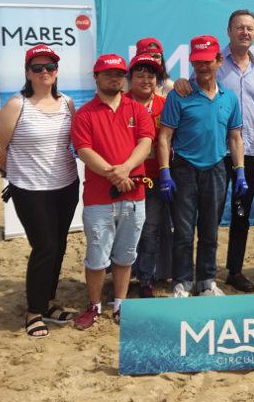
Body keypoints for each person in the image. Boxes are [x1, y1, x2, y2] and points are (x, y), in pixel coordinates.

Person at [175, 9, 254, 293]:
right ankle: (202, 276)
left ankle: (235, 271)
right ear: (228, 31)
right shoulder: (215, 63)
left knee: (241, 216)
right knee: (210, 218)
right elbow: (187, 88)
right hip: (216, 154)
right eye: (239, 27)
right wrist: (175, 82)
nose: (245, 32)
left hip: (251, 152)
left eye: (250, 28)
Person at [0, 44, 80, 338]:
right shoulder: (16, 105)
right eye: (37, 68)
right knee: (43, 247)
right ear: (27, 73)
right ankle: (34, 312)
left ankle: (50, 303)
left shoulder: (68, 103)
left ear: (57, 71)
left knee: (58, 246)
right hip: (30, 189)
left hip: (66, 185)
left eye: (50, 67)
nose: (44, 72)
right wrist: (15, 175)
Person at [70, 54, 154, 329]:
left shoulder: (137, 109)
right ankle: (93, 306)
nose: (115, 79)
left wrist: (126, 170)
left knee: (126, 255)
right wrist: (115, 175)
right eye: (108, 74)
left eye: (119, 74)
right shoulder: (84, 114)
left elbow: (145, 143)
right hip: (98, 199)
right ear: (96, 77)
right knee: (96, 257)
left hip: (134, 195)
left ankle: (120, 304)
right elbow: (84, 151)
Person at [158, 36, 245, 298]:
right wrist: (164, 172)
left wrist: (239, 171)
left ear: (219, 61)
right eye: (197, 63)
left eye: (207, 62)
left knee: (210, 229)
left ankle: (207, 280)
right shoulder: (179, 94)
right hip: (183, 169)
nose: (202, 67)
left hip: (217, 169)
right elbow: (164, 137)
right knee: (183, 231)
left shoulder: (229, 98)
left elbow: (235, 137)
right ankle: (182, 282)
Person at [125, 53, 173, 298]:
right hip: (125, 181)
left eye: (151, 76)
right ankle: (121, 280)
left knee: (151, 230)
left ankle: (146, 279)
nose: (145, 80)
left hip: (155, 178)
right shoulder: (119, 103)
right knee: (125, 231)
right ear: (129, 78)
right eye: (140, 76)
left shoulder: (165, 105)